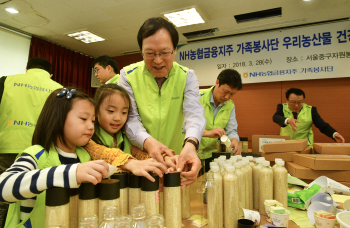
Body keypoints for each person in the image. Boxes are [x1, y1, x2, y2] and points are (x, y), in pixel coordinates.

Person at [1, 87, 167, 228]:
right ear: (58, 117)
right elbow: (3, 187)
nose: (90, 126)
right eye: (83, 119)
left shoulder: (85, 155)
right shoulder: (36, 154)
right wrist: (71, 173)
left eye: (93, 120)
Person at [118, 17, 206, 185]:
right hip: (139, 161)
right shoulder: (128, 75)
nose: (158, 60)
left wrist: (191, 144)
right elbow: (130, 118)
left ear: (175, 50)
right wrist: (148, 143)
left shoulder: (187, 76)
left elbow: (194, 114)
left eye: (165, 52)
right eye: (150, 53)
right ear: (141, 52)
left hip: (174, 163)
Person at [0, 57, 62, 227]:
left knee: (3, 197)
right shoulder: (59, 89)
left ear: (27, 70)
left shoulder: (7, 81)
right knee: (32, 201)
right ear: (50, 75)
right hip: (42, 152)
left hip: (7, 147)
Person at [199, 69, 242, 172]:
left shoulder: (230, 105)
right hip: (191, 152)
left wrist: (234, 140)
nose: (227, 97)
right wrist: (208, 133)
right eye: (225, 92)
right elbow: (183, 128)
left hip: (211, 156)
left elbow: (231, 130)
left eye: (232, 94)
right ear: (217, 82)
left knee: (209, 185)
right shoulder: (197, 97)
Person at [273, 88, 345, 147]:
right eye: (293, 102)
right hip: (286, 144)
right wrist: (288, 120)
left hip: (305, 146)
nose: (296, 105)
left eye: (300, 102)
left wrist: (334, 134)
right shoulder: (282, 107)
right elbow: (275, 117)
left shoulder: (311, 110)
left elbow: (322, 125)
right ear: (287, 100)